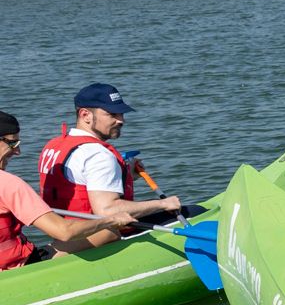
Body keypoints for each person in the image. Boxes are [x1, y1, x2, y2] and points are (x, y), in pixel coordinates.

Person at [38, 83, 185, 243]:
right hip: (98, 238)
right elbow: (107, 210)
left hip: (66, 236)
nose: (121, 120)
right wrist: (163, 203)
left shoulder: (53, 146)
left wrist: (125, 175)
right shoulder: (98, 154)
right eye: (112, 114)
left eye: (121, 114)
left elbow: (76, 183)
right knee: (193, 212)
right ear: (85, 115)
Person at [0, 111, 133, 268]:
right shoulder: (9, 184)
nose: (18, 151)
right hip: (18, 268)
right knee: (108, 233)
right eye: (12, 143)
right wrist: (112, 220)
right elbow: (64, 232)